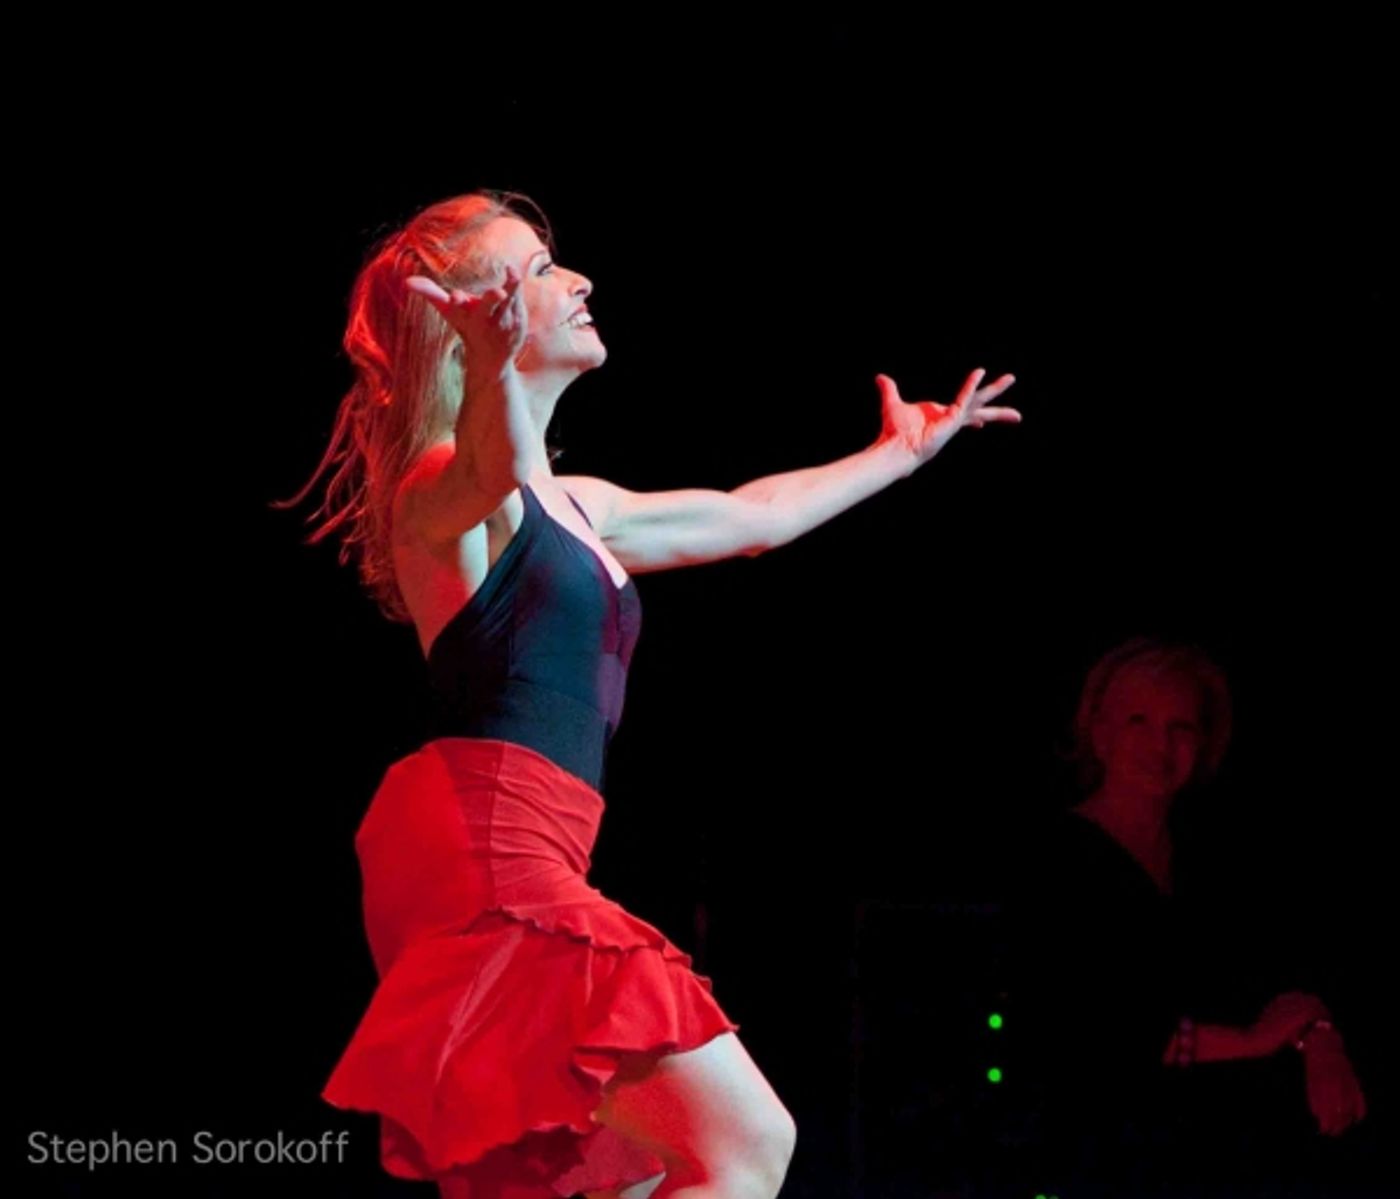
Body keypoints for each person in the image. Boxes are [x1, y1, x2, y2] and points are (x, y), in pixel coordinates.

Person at [281, 189, 1019, 1198]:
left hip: (528, 841)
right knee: (744, 1142)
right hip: (485, 850)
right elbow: (492, 463)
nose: (576, 280)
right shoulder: (441, 486)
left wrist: (895, 455)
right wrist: (488, 366)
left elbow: (748, 515)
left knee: (620, 1175)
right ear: (470, 319)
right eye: (539, 271)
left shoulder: (579, 507)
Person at [1009, 637, 1367, 1192]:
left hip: (1209, 1159)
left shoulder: (1212, 858)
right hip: (1094, 1162)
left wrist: (1320, 1039)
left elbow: (1280, 974)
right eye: (1139, 721)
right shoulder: (1054, 862)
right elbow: (1101, 1034)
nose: (1161, 745)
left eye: (1181, 727)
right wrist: (1253, 1040)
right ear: (1098, 733)